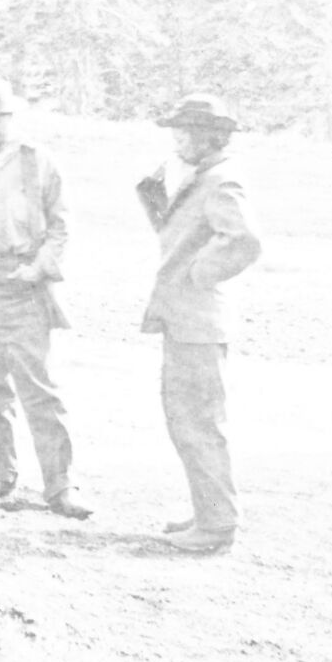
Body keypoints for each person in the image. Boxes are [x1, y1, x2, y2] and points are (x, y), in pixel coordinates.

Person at [0, 81, 90, 518]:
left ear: (11, 118)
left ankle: (61, 485)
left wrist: (37, 267)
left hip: (23, 285)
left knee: (38, 387)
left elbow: (61, 226)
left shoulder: (38, 162)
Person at [136, 93, 265, 555]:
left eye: (185, 131)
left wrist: (198, 274)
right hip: (188, 320)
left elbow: (245, 242)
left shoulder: (222, 181)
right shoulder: (202, 177)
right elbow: (183, 235)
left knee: (198, 422)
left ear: (211, 137)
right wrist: (152, 198)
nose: (176, 139)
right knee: (189, 419)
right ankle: (210, 513)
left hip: (199, 321)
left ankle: (216, 525)